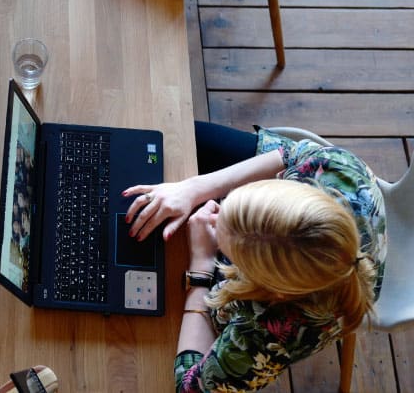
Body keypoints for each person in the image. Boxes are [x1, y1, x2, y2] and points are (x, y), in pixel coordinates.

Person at [124, 122, 386, 392]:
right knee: (175, 137)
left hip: (288, 307)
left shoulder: (269, 334)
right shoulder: (337, 167)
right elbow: (287, 153)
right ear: (288, 186)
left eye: (227, 248)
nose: (214, 212)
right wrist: (193, 189)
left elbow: (191, 388)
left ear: (259, 282)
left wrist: (201, 264)